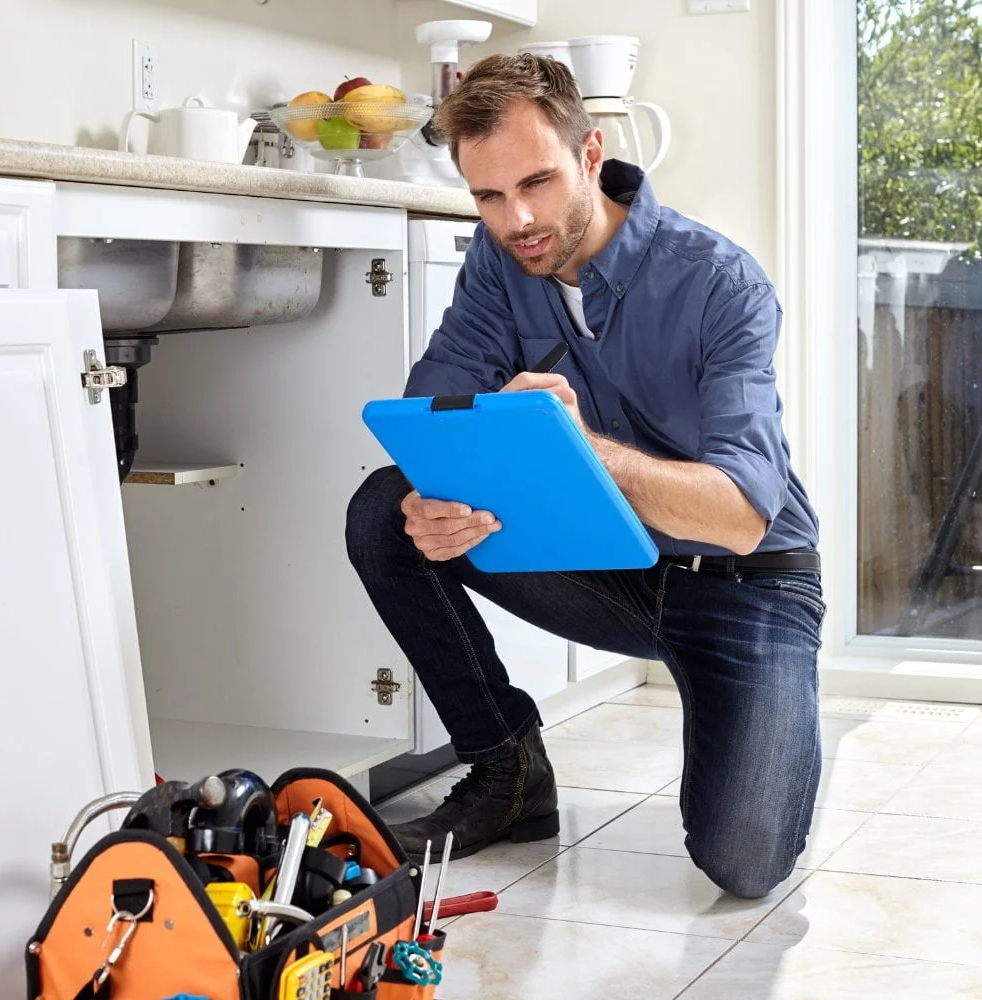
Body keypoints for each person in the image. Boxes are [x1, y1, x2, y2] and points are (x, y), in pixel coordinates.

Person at [346, 53, 824, 900]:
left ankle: (751, 709)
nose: (517, 218)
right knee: (386, 511)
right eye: (488, 197)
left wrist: (583, 445)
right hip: (612, 567)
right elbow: (436, 401)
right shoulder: (500, 263)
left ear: (591, 154)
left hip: (747, 583)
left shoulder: (720, 282)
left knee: (745, 862)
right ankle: (508, 776)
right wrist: (438, 496)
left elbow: (746, 514)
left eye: (537, 182)